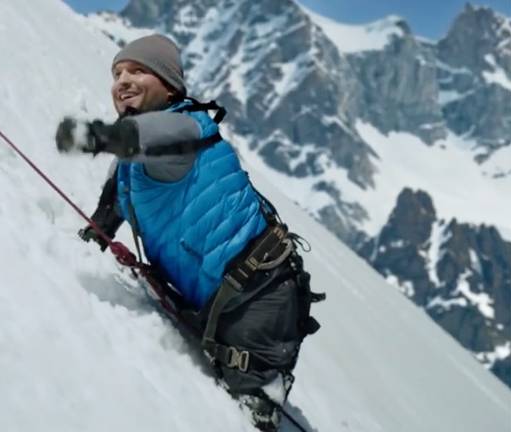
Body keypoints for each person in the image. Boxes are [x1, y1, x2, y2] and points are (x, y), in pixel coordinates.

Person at [55, 34, 322, 431]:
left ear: (170, 87)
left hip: (261, 300)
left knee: (252, 407)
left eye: (138, 71)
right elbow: (115, 200)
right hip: (225, 295)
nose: (123, 81)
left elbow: (149, 137)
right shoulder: (133, 161)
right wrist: (93, 235)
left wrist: (99, 137)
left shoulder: (184, 128)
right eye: (117, 73)